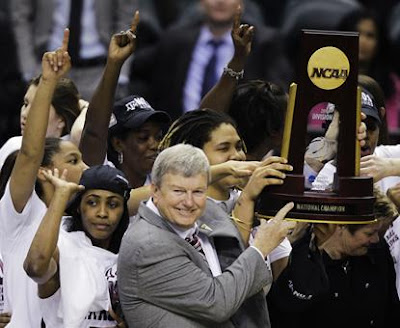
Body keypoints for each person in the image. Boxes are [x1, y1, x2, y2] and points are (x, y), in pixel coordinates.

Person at [118, 143, 296, 327]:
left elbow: (231, 208)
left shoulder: (202, 211)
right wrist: (260, 248)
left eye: (197, 191)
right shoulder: (148, 245)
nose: (188, 202)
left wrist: (249, 184)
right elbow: (216, 303)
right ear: (155, 191)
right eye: (178, 191)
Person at [0, 29, 88, 327]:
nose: (85, 168)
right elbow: (29, 152)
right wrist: (49, 80)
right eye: (75, 161)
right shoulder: (18, 212)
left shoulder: (89, 214)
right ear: (43, 170)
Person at [129, 0, 292, 120]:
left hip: (242, 145)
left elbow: (279, 100)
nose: (220, 1)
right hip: (177, 143)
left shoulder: (264, 43)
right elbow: (150, 89)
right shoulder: (173, 40)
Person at [267, 188, 400, 327]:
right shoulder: (304, 261)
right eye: (369, 233)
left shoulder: (376, 252)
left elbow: (391, 310)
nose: (376, 239)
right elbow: (284, 312)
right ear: (341, 226)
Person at [24, 165, 131, 327]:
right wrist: (61, 194)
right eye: (92, 202)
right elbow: (35, 266)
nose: (102, 213)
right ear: (79, 208)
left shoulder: (131, 254)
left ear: (123, 210)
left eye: (113, 204)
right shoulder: (65, 248)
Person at [10, 0, 136, 100]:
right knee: (46, 130)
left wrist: (121, 72)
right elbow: (20, 15)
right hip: (50, 66)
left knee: (99, 130)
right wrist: (28, 69)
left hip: (99, 70)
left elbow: (127, 16)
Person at [0, 74, 81, 170]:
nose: (25, 114)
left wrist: (85, 108)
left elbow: (80, 131)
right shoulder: (14, 144)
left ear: (61, 119)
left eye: (36, 108)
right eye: (25, 104)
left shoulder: (75, 153)